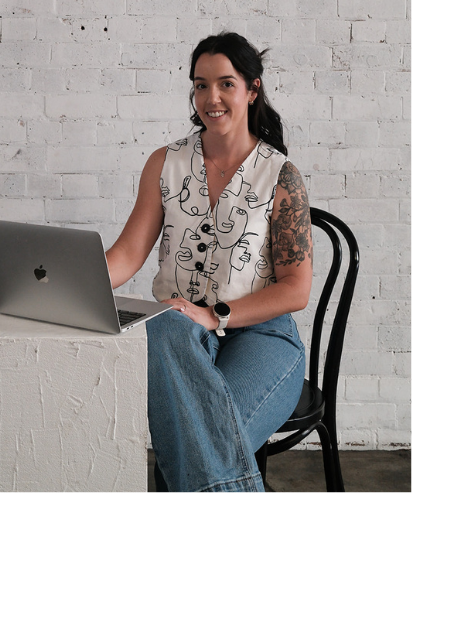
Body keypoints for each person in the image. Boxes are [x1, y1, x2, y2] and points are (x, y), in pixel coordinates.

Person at [105, 33, 313, 492]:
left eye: (225, 84)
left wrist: (215, 314)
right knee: (167, 333)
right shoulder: (165, 164)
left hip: (261, 335)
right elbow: (128, 254)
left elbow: (295, 289)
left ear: (252, 90)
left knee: (197, 437)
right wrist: (75, 283)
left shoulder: (281, 175)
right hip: (176, 333)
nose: (210, 98)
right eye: (201, 85)